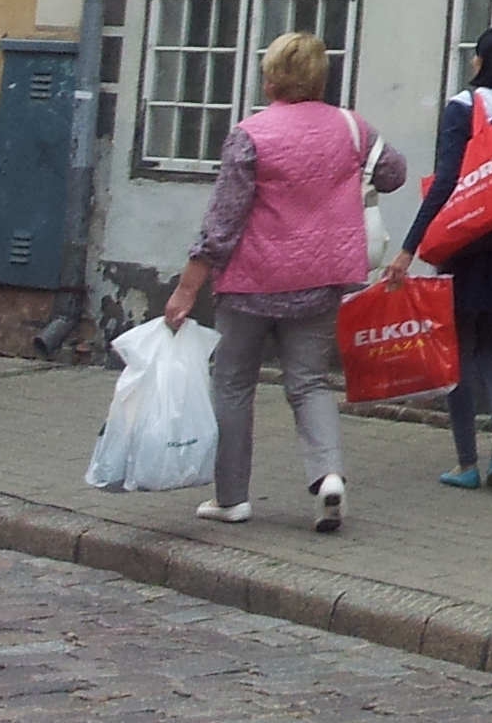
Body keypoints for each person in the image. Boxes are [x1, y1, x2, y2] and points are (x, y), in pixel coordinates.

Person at [163, 32, 408, 533]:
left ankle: (232, 498)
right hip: (321, 278)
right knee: (309, 382)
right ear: (320, 79)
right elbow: (394, 173)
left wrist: (188, 287)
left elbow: (223, 221)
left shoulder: (250, 135)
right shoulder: (352, 128)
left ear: (271, 79)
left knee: (233, 384)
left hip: (250, 282)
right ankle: (328, 476)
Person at [382, 23, 492, 491]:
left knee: (456, 348)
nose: (473, 61)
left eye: (477, 54)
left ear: (485, 61)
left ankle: (466, 463)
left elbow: (445, 182)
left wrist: (408, 248)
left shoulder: (463, 106)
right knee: (488, 345)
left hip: (465, 238)